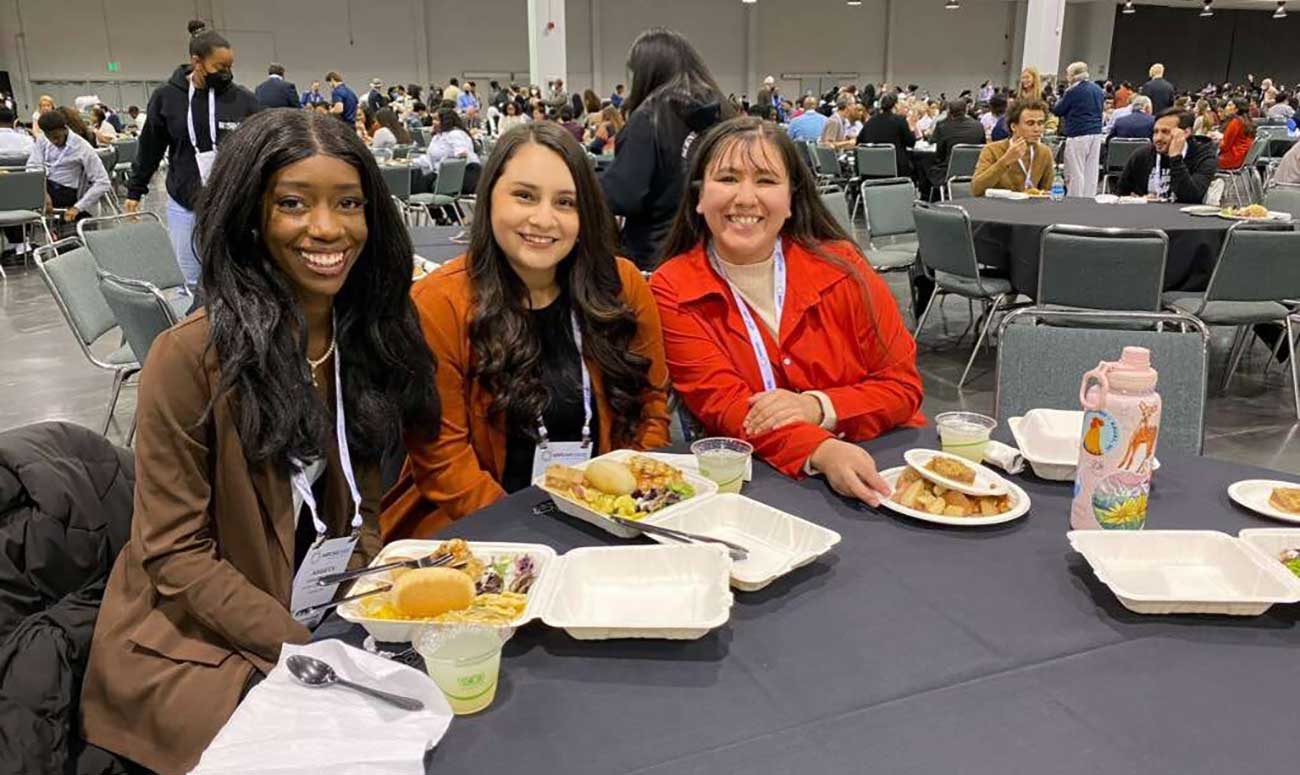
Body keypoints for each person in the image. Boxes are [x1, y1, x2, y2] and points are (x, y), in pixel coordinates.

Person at [79, 109, 438, 775]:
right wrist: (305, 642)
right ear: (251, 216)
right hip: (196, 640)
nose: (327, 228)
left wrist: (354, 606)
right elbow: (174, 553)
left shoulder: (366, 340)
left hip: (319, 613)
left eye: (349, 203)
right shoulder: (188, 358)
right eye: (294, 204)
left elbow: (364, 505)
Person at [381, 121, 670, 539]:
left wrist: (634, 501)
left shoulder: (621, 285)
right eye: (524, 196)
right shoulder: (437, 303)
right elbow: (443, 458)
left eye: (566, 203)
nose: (543, 219)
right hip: (478, 529)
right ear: (488, 198)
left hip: (610, 522)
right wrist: (526, 537)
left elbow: (652, 405)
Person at [650, 116, 924, 497]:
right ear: (699, 196)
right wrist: (823, 450)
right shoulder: (674, 288)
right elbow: (727, 407)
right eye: (727, 179)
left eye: (765, 181)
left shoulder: (843, 266)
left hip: (885, 463)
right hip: (765, 486)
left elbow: (903, 387)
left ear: (791, 199)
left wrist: (818, 406)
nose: (745, 198)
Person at [127, 20, 262, 289]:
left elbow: (262, 145)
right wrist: (135, 188)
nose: (227, 73)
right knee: (189, 282)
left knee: (236, 279)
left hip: (231, 205)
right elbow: (151, 145)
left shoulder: (243, 99)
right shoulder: (167, 97)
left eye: (230, 67)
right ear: (197, 62)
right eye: (220, 67)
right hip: (184, 203)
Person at [599, 27, 730, 270]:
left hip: (656, 257)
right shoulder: (724, 114)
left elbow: (622, 196)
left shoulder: (650, 118)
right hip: (715, 250)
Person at [1115, 108, 1217, 204]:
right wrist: (1136, 200)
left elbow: (1191, 197)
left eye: (1165, 132)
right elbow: (1120, 193)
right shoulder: (1142, 155)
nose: (1157, 138)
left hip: (1184, 219)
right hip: (1146, 216)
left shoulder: (1203, 156)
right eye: (1155, 132)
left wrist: (1176, 158)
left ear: (1185, 132)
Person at [27, 112, 109, 223]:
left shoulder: (82, 147)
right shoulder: (42, 140)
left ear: (65, 129)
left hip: (66, 191)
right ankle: (19, 239)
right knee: (14, 194)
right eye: (50, 138)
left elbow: (103, 182)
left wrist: (78, 207)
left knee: (20, 199)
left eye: (57, 137)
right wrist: (43, 193)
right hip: (46, 186)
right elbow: (32, 168)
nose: (54, 141)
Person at [971, 99, 1053, 197]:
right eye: (1030, 123)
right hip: (999, 208)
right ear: (1014, 127)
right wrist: (1005, 161)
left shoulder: (1044, 152)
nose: (1037, 129)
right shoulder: (992, 150)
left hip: (1032, 209)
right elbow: (976, 190)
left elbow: (1047, 190)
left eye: (1040, 123)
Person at [1053, 62, 1105, 197]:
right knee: (1091, 170)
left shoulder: (1072, 91)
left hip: (1078, 133)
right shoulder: (1098, 89)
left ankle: (1075, 199)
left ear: (1073, 76)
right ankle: (1089, 198)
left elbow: (1059, 110)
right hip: (1096, 132)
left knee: (1076, 170)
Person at [415, 106, 480, 194]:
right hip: (441, 173)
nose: (433, 123)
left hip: (461, 175)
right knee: (415, 178)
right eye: (433, 119)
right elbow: (429, 159)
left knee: (420, 184)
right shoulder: (437, 137)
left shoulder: (456, 134)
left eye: (436, 120)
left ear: (446, 121)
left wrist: (461, 154)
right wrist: (411, 162)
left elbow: (462, 154)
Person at [928, 99, 985, 194]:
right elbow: (983, 147)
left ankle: (930, 198)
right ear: (966, 110)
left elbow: (939, 153)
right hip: (975, 170)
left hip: (948, 172)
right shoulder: (978, 126)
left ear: (949, 111)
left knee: (926, 164)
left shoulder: (943, 126)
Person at [857, 93, 915, 177]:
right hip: (896, 170)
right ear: (895, 105)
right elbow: (911, 143)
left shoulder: (870, 122)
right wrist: (912, 128)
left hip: (871, 170)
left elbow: (859, 142)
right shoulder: (900, 121)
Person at [1218, 97, 1255, 171]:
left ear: (1236, 109)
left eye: (1229, 105)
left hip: (1234, 158)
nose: (1226, 108)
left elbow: (1225, 146)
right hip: (1243, 157)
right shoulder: (1246, 121)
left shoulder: (1235, 122)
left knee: (1204, 161)